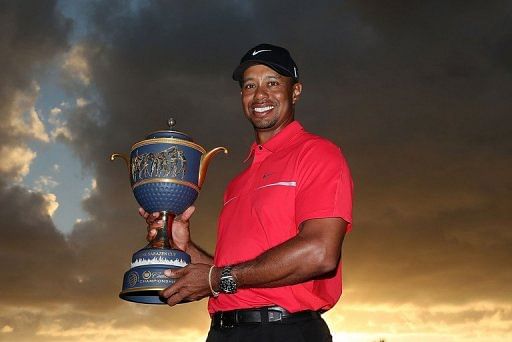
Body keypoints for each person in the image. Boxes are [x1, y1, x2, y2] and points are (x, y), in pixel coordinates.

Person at [140, 43, 353, 341]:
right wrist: (184, 247)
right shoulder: (237, 182)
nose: (260, 95)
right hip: (223, 332)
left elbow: (320, 253)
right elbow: (232, 272)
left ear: (295, 92)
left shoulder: (318, 153)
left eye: (273, 83)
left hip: (284, 331)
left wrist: (217, 279)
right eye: (250, 85)